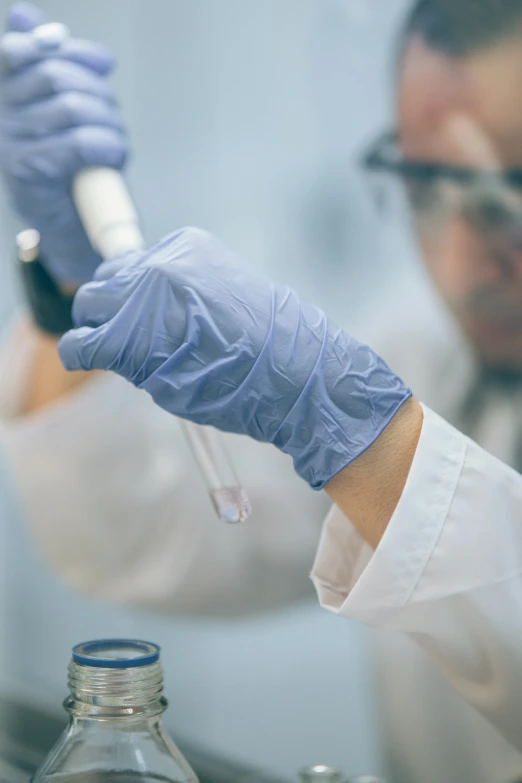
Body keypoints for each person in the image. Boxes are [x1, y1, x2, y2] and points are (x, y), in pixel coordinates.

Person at [1, 1, 522, 781]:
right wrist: (70, 284)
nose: (456, 266)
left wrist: (359, 431)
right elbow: (137, 528)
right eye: (422, 190)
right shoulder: (424, 343)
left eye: (496, 203)